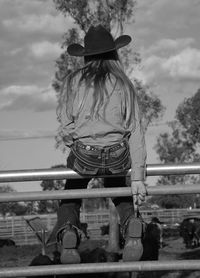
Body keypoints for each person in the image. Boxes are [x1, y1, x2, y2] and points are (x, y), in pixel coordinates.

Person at [50, 24, 147, 264]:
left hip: (85, 154)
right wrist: (138, 177)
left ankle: (69, 231)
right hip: (117, 153)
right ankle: (130, 223)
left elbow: (64, 123)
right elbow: (135, 129)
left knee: (71, 194)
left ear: (86, 55)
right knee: (118, 186)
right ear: (114, 54)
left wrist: (75, 140)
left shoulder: (74, 81)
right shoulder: (123, 82)